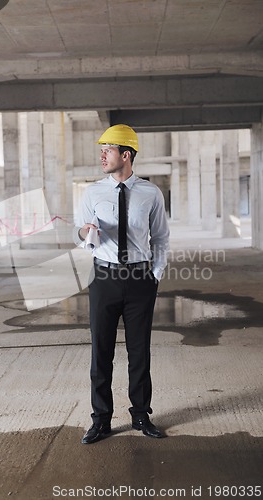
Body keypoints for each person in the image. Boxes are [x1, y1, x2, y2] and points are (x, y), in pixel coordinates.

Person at [76, 124, 169, 444]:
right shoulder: (93, 192)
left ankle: (141, 415)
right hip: (104, 278)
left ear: (125, 155)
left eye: (108, 151)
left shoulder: (150, 193)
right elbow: (79, 231)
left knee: (139, 351)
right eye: (101, 151)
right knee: (100, 351)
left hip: (140, 279)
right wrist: (86, 231)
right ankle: (101, 419)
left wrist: (155, 273)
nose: (102, 156)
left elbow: (160, 237)